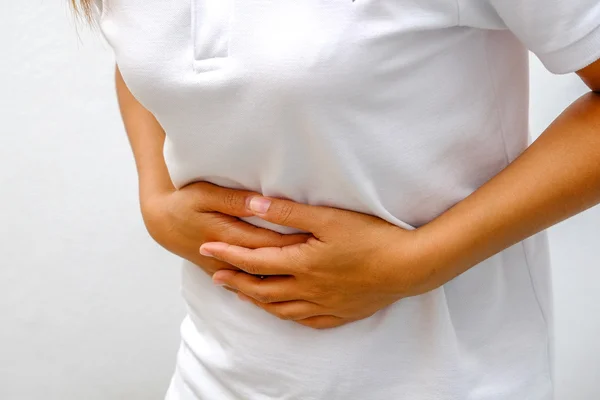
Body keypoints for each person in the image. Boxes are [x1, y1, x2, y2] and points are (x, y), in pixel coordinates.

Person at [74, 0, 600, 398]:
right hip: (213, 375)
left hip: (447, 379)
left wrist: (418, 261)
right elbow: (147, 55)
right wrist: (155, 197)